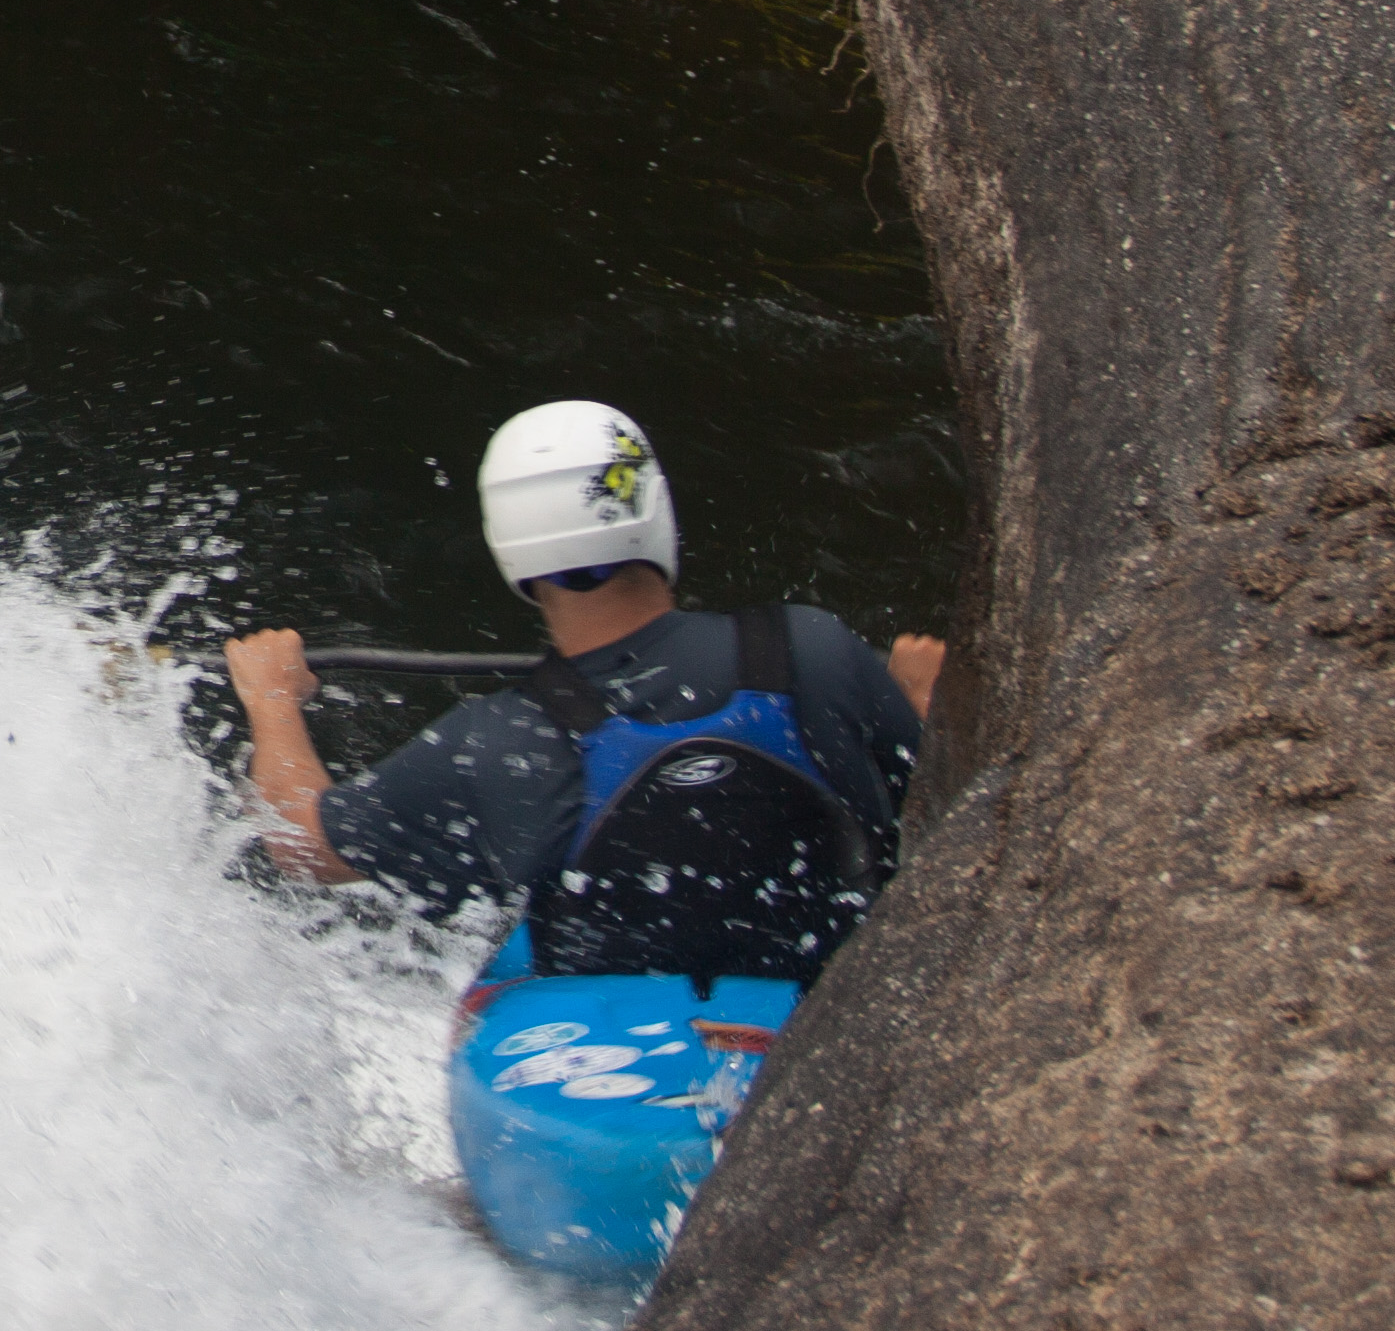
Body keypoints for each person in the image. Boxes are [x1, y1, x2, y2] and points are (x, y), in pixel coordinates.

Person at [222, 401, 946, 981]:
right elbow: (935, 794)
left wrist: (272, 702)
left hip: (611, 1061)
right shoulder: (812, 648)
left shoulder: (496, 741)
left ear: (510, 548)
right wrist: (920, 699)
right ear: (654, 509)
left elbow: (302, 845)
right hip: (830, 1019)